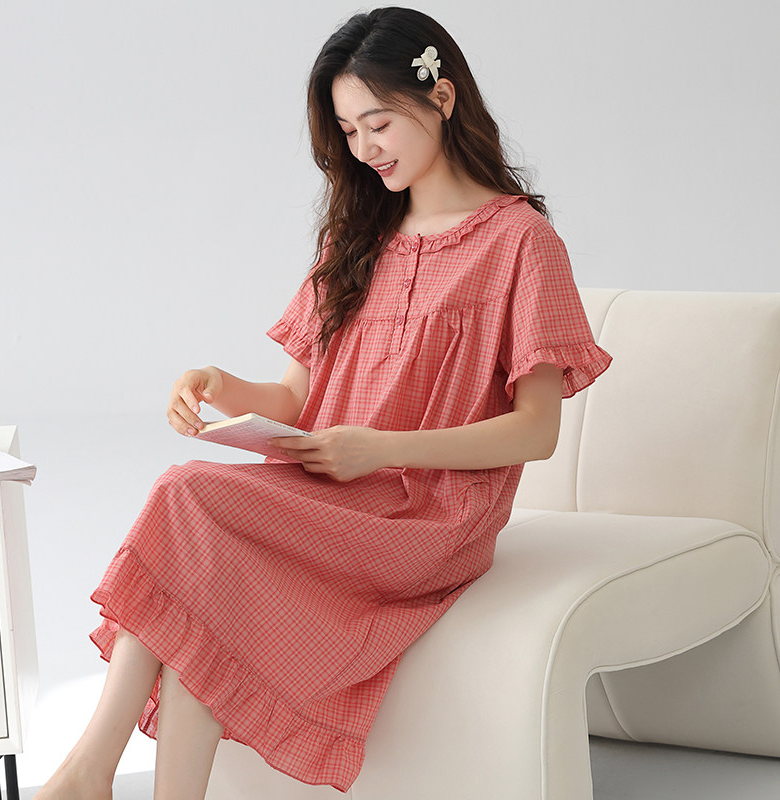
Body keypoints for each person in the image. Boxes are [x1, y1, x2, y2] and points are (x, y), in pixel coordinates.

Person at [35, 6, 612, 799]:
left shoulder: (519, 243)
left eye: (379, 123)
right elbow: (297, 400)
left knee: (182, 494)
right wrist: (220, 386)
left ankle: (85, 773)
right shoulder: (355, 238)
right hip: (332, 493)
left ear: (442, 97)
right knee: (202, 597)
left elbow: (537, 431)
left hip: (428, 516)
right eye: (348, 131)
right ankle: (117, 782)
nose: (365, 149)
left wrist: (381, 448)